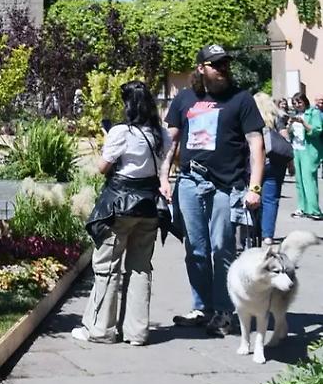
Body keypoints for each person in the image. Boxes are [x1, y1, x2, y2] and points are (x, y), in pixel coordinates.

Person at [160, 44, 264, 337]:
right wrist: (164, 178)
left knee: (223, 248)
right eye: (215, 64)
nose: (222, 69)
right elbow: (172, 142)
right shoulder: (184, 99)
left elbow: (256, 144)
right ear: (201, 69)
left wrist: (254, 187)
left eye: (225, 64)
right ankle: (202, 307)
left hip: (226, 185)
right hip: (190, 182)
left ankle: (223, 311)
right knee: (195, 249)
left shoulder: (241, 100)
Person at [74, 80, 171, 346]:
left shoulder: (121, 132)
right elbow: (162, 168)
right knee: (141, 268)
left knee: (107, 266)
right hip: (149, 206)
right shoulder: (162, 134)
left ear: (128, 105)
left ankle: (101, 329)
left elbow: (102, 168)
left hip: (119, 206)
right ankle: (137, 332)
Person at [251, 92, 293, 245]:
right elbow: (285, 140)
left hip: (254, 163)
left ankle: (253, 231)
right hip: (275, 163)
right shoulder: (278, 118)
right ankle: (267, 235)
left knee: (253, 195)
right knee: (271, 199)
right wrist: (290, 163)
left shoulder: (250, 118)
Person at [289, 92, 323, 221]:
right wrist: (289, 125)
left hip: (309, 150)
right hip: (296, 149)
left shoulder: (313, 113)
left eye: (299, 102)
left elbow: (317, 130)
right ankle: (302, 207)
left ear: (305, 101)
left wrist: (303, 123)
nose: (297, 105)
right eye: (294, 103)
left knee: (309, 179)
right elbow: (289, 134)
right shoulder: (294, 115)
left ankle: (314, 210)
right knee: (299, 180)